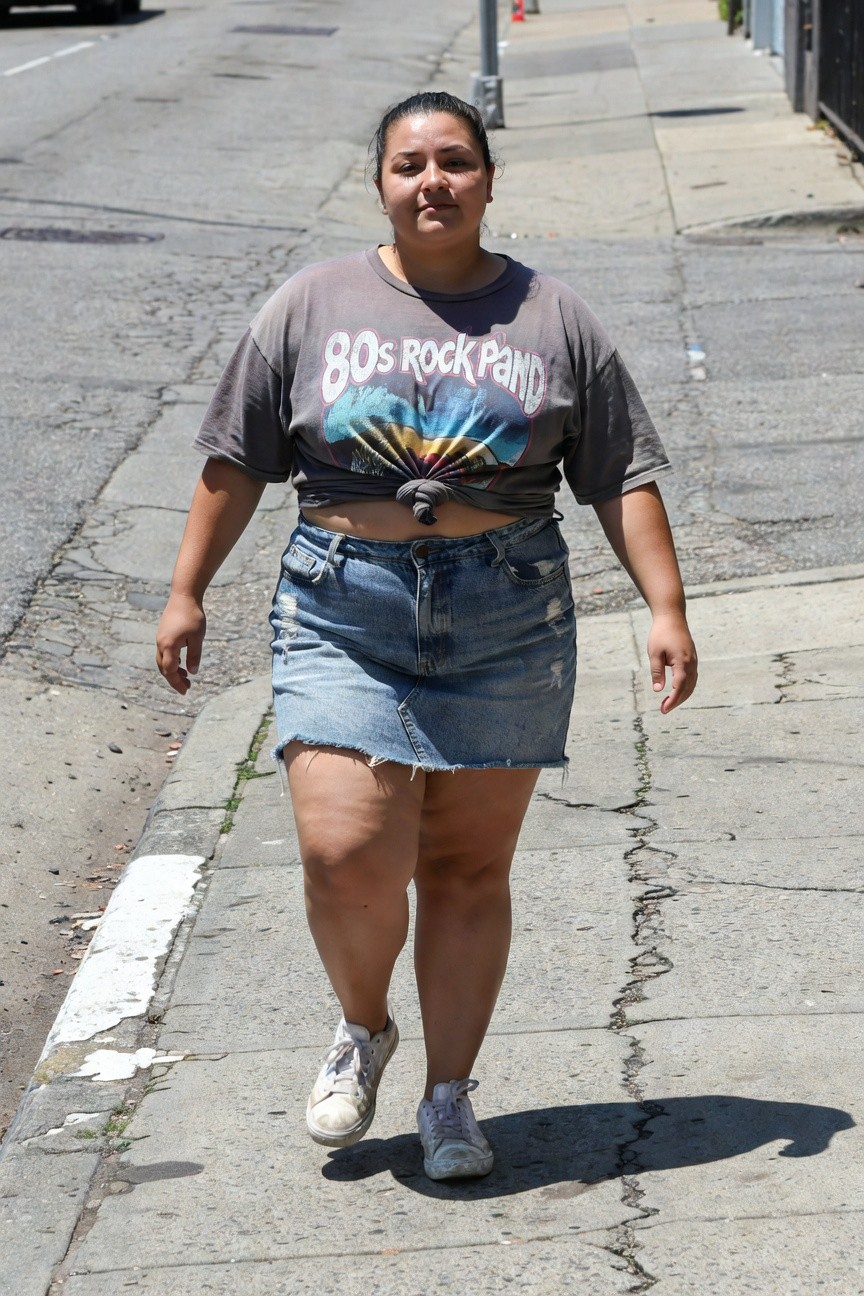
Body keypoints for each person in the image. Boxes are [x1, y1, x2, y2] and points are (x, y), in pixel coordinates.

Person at [156, 91, 697, 1183]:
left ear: (490, 181)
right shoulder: (312, 304)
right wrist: (187, 592)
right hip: (341, 605)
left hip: (507, 609)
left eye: (455, 162)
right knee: (346, 851)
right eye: (411, 165)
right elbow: (236, 460)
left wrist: (666, 606)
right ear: (382, 185)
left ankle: (450, 1095)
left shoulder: (555, 318)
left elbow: (618, 475)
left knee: (464, 865)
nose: (433, 182)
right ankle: (365, 1025)